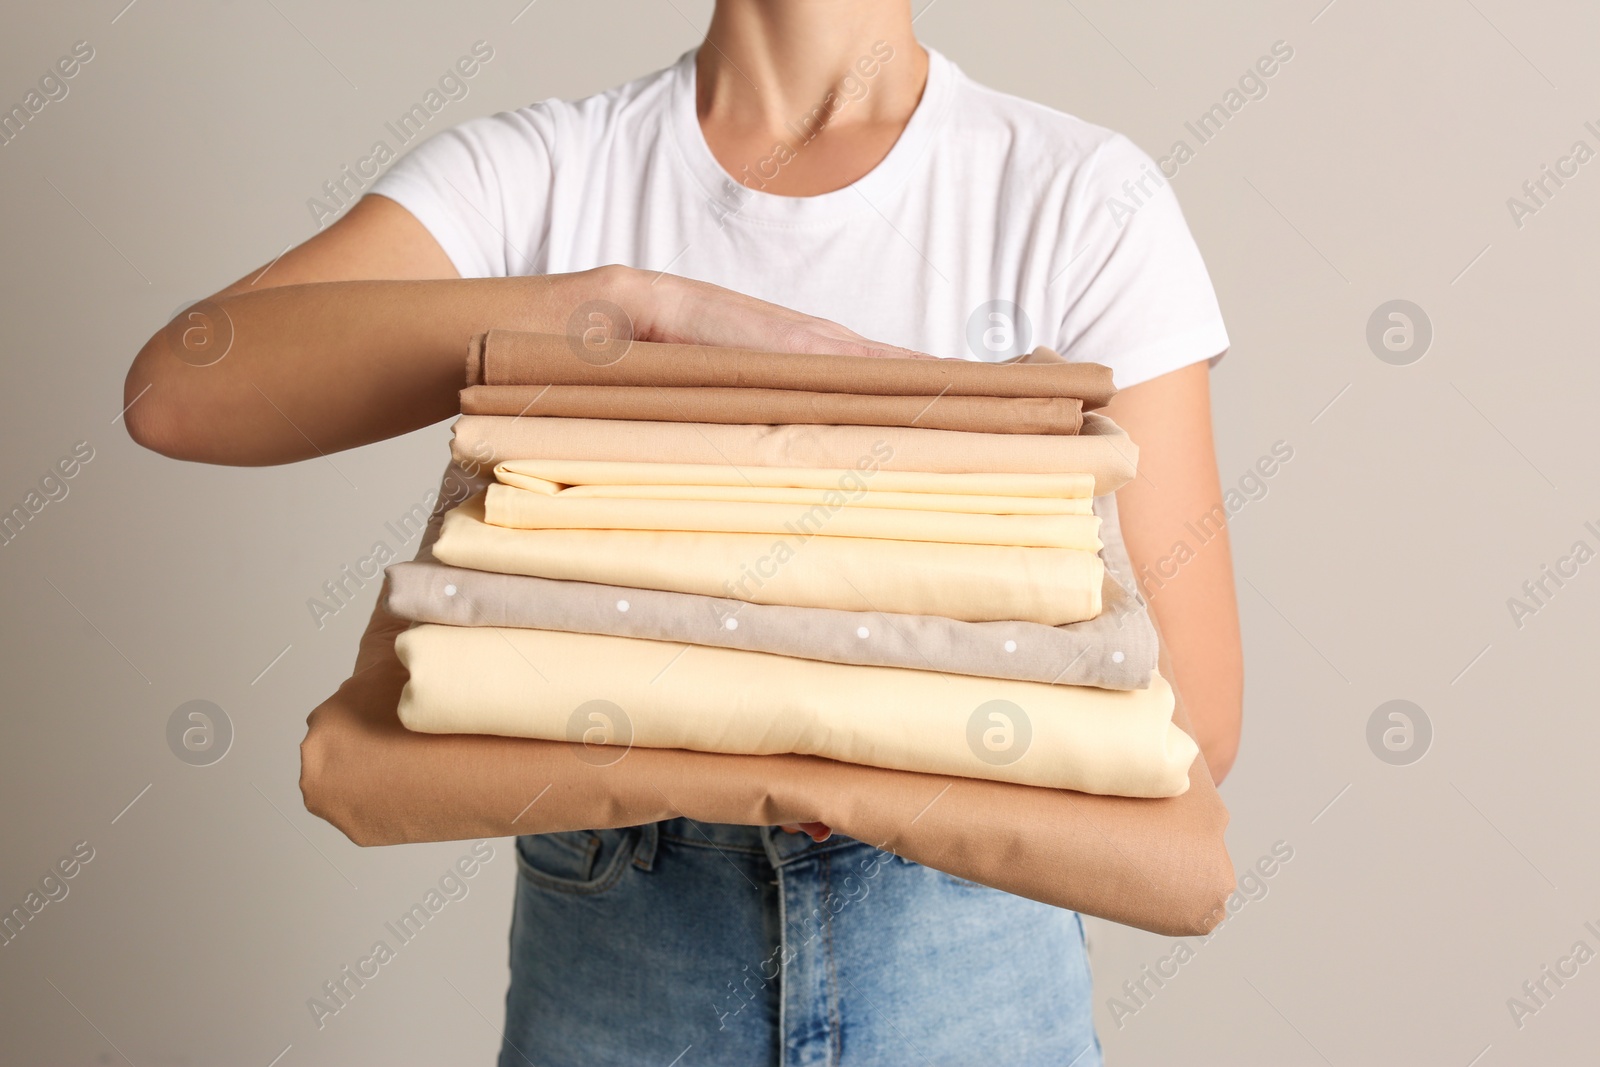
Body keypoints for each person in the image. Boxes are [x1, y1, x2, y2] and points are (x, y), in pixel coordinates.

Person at [125, 1, 1242, 1062]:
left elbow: (1190, 715)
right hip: (624, 965)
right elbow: (180, 386)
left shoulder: (1075, 197)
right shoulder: (543, 176)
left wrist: (780, 732)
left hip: (968, 953)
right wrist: (620, 313)